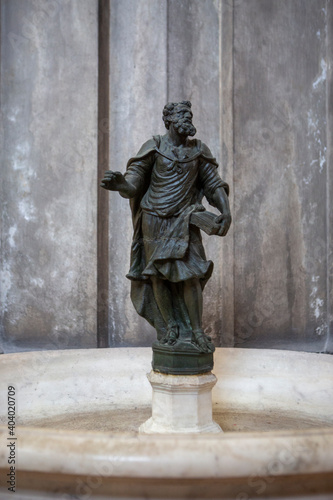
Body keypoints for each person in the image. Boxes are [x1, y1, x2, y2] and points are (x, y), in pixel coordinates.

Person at [101, 101, 231, 353]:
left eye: (190, 114)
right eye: (183, 114)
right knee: (158, 276)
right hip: (154, 219)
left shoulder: (198, 150)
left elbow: (214, 184)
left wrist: (225, 210)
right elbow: (134, 185)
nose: (188, 118)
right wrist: (120, 184)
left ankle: (196, 331)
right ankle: (170, 327)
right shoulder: (154, 147)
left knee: (191, 275)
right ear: (169, 120)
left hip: (186, 218)